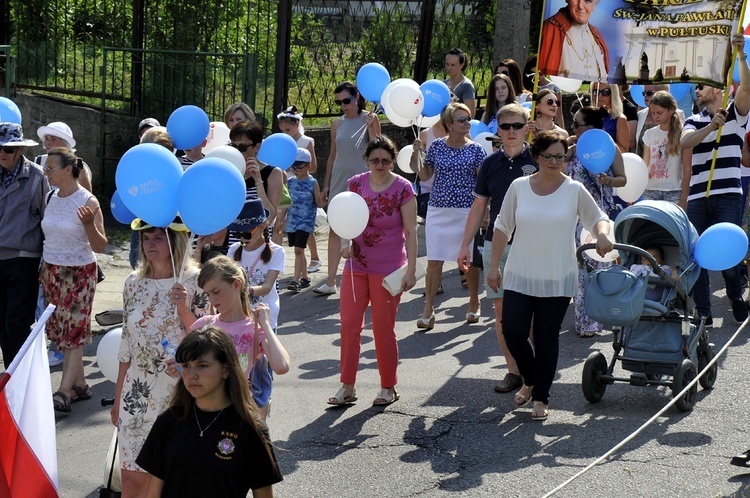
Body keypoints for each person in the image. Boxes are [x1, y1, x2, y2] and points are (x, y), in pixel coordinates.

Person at [487, 131, 612, 421]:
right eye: (548, 156)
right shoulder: (519, 187)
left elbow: (598, 219)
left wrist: (603, 235)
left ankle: (541, 395)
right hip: (519, 272)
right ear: (536, 157)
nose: (555, 162)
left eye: (560, 156)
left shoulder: (574, 190)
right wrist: (494, 267)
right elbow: (502, 227)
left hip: (557, 274)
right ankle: (529, 379)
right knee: (513, 332)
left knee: (546, 338)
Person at [111, 217, 209, 497]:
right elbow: (126, 346)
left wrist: (183, 308)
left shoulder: (194, 280)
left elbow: (207, 339)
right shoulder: (133, 283)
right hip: (136, 392)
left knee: (171, 479)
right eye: (145, 238)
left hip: (179, 390)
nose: (149, 244)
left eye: (157, 237)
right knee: (131, 480)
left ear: (174, 240)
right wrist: (118, 398)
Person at [136, 326, 283, 497]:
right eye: (186, 365)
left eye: (202, 365)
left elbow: (263, 493)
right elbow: (153, 492)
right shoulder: (168, 422)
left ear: (226, 369)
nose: (191, 374)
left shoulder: (251, 427)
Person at [327, 135, 417, 406]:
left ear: (393, 161)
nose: (380, 165)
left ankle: (388, 386)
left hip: (388, 268)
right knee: (349, 326)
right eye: (375, 160)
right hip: (356, 266)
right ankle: (347, 385)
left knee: (382, 328)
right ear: (366, 160)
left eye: (386, 161)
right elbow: (344, 219)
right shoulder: (355, 184)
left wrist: (411, 269)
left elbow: (412, 232)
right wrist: (344, 242)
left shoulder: (403, 188)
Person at [457, 103, 538, 394]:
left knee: (530, 315)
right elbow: (479, 206)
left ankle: (535, 373)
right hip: (496, 244)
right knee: (502, 313)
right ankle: (514, 371)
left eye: (517, 126)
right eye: (505, 127)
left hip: (532, 244)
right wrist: (465, 244)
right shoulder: (490, 164)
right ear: (498, 131)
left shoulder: (540, 158)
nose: (512, 132)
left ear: (527, 128)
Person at [681, 33, 750, 327]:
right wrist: (711, 125)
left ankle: (735, 294)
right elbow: (686, 143)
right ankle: (704, 312)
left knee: (729, 255)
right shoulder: (692, 120)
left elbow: (747, 87)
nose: (697, 89)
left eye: (702, 84)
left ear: (721, 87)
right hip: (699, 197)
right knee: (697, 255)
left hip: (727, 195)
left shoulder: (736, 112)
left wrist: (741, 54)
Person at [42, 148, 107, 412]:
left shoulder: (88, 201)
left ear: (67, 169)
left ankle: (63, 392)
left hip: (79, 273)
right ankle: (80, 384)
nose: (46, 173)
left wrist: (90, 224)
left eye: (50, 169)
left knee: (74, 332)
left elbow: (101, 246)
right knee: (60, 331)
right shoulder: (50, 196)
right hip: (52, 272)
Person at [412, 103, 485, 329]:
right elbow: (425, 175)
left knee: (469, 262)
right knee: (434, 259)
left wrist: (485, 213)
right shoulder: (435, 147)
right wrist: (417, 154)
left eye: (468, 119)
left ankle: (474, 302)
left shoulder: (476, 150)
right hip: (438, 209)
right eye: (461, 119)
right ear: (449, 125)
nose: (467, 123)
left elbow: (483, 185)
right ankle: (428, 309)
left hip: (467, 211)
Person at [193, 256, 290, 420]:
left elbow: (281, 366)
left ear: (236, 284)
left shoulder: (253, 329)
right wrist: (176, 366)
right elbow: (186, 366)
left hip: (238, 412)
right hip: (205, 410)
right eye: (208, 294)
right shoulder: (203, 325)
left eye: (216, 292)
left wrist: (265, 325)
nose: (212, 300)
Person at [566, 106, 626, 338]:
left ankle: (598, 319)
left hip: (599, 216)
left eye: (576, 124)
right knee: (579, 269)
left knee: (598, 266)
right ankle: (584, 320)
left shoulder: (609, 148)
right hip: (573, 216)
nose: (572, 127)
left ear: (589, 128)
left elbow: (623, 179)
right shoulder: (574, 149)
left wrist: (608, 180)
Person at [316, 81, 380, 295]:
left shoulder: (369, 119)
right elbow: (333, 155)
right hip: (339, 179)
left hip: (363, 180)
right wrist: (326, 184)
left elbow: (378, 148)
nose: (343, 105)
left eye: (346, 100)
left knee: (364, 228)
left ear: (357, 97)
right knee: (335, 228)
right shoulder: (337, 123)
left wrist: (372, 126)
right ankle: (331, 280)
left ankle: (366, 276)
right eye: (339, 102)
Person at [0, 123, 50, 367]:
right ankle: (11, 373)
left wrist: (45, 263)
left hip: (23, 258)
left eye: (8, 149)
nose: (2, 153)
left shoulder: (37, 176)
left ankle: (19, 375)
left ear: (20, 149)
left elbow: (47, 220)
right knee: (1, 322)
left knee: (17, 321)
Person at [227, 199, 285, 332]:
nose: (242, 239)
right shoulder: (233, 249)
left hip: (264, 319)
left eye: (246, 234)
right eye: (238, 234)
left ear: (263, 226)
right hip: (238, 317)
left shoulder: (277, 252)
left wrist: (244, 290)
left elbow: (267, 287)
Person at [277, 105, 322, 273]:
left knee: (305, 226)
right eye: (282, 130)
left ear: (297, 125)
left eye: (288, 129)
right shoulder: (283, 143)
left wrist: (291, 169)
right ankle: (287, 263)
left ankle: (315, 257)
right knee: (288, 224)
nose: (285, 133)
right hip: (288, 185)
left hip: (302, 187)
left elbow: (314, 167)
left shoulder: (306, 141)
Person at [280, 148, 325, 292]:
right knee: (299, 249)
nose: (296, 170)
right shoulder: (291, 182)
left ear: (308, 166)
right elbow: (286, 203)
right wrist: (280, 219)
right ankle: (305, 277)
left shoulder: (313, 183)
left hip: (306, 222)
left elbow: (318, 203)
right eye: (293, 167)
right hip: (292, 222)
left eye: (299, 167)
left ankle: (295, 280)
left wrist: (325, 200)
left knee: (299, 249)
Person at [229, 120, 283, 236]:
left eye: (242, 147)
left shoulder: (273, 173)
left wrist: (258, 180)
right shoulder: (229, 171)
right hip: (230, 241)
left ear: (256, 147)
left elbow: (270, 215)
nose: (236, 151)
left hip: (256, 242)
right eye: (233, 146)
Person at [640, 91, 691, 209]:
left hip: (674, 191)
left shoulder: (683, 134)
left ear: (671, 110)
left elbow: (687, 168)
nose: (655, 116)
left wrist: (684, 198)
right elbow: (645, 164)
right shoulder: (649, 134)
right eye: (652, 113)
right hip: (650, 190)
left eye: (659, 113)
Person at [539, 0, 609, 82]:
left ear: (595, 4)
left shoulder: (596, 36)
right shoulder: (549, 30)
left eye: (588, 1)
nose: (580, 6)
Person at [35, 121, 92, 192]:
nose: (48, 143)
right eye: (46, 138)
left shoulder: (78, 165)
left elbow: (86, 196)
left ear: (65, 143)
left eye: (53, 139)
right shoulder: (39, 161)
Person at [522, 55, 565, 125]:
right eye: (533, 73)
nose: (537, 76)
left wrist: (562, 131)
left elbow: (559, 114)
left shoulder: (554, 87)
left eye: (540, 73)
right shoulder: (526, 86)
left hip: (549, 124)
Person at [592, 82, 629, 152]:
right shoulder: (589, 116)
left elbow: (623, 150)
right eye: (596, 92)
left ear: (613, 93)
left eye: (605, 92)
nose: (599, 96)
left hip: (610, 161)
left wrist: (603, 137)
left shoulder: (619, 119)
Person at [445, 48, 476, 117]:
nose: (449, 68)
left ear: (462, 65)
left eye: (453, 65)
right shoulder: (444, 83)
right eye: (447, 64)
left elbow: (471, 114)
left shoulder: (466, 86)